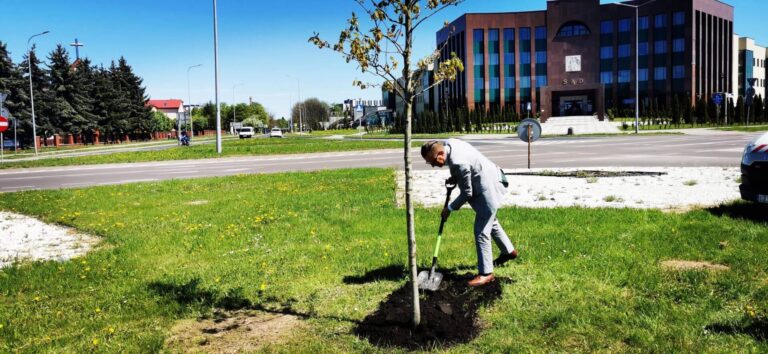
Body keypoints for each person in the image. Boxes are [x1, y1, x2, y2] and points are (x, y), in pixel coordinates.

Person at [421, 139, 518, 287]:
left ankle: (486, 273)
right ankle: (508, 251)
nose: (433, 165)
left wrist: (450, 208)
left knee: (481, 230)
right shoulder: (450, 144)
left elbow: (467, 192)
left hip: (489, 186)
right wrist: (456, 177)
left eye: (433, 161)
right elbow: (466, 166)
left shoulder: (458, 163)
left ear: (441, 153)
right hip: (488, 176)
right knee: (490, 220)